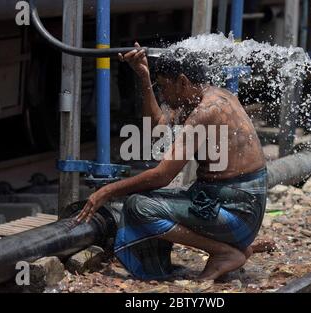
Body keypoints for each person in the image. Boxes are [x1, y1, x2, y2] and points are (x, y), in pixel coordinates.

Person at [76, 43, 269, 281]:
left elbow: (163, 175)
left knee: (139, 206)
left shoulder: (206, 111)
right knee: (152, 197)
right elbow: (156, 128)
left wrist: (107, 191)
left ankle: (223, 251)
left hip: (238, 213)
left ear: (183, 82)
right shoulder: (205, 96)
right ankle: (232, 247)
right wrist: (144, 77)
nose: (164, 96)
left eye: (164, 88)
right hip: (232, 204)